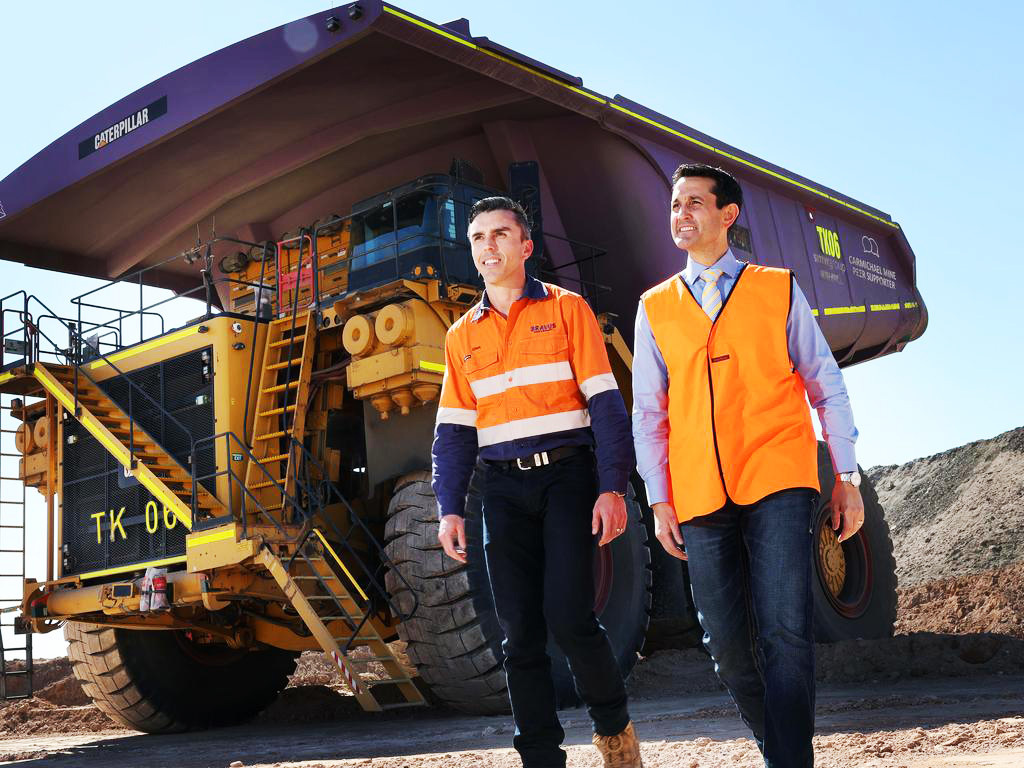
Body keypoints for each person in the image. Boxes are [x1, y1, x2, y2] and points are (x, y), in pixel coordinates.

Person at [632, 164, 864, 768]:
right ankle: (783, 753)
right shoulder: (654, 307)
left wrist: (847, 476)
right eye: (674, 205)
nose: (680, 214)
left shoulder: (776, 287)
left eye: (693, 204)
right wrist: (660, 498)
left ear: (728, 215)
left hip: (778, 480)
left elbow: (825, 384)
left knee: (785, 634)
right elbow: (649, 413)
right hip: (700, 492)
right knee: (728, 648)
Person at [432, 196, 642, 768]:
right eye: (477, 238)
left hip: (568, 479)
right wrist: (450, 506)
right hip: (499, 491)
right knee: (518, 633)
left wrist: (612, 486)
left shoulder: (569, 309)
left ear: (527, 246)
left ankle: (616, 736)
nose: (488, 245)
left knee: (570, 617)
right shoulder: (459, 337)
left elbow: (605, 406)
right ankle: (541, 758)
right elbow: (453, 431)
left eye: (500, 234)